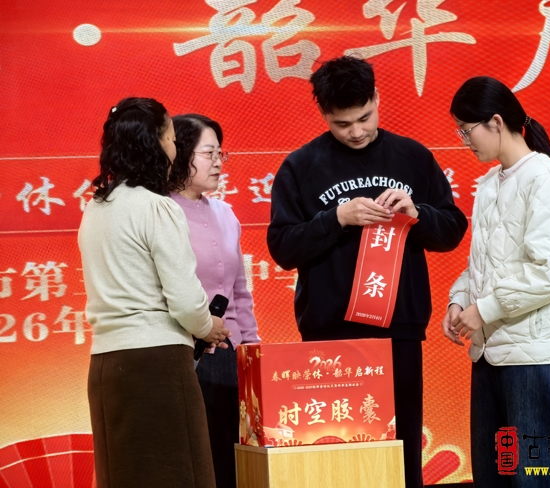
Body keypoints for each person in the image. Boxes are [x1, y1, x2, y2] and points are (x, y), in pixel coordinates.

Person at [267, 56, 468, 488]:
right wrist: (336, 218)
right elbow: (282, 248)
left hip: (398, 331)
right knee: (340, 458)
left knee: (401, 453)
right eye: (342, 124)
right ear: (323, 114)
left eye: (365, 117)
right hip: (331, 335)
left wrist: (417, 213)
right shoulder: (301, 166)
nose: (356, 131)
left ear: (377, 98)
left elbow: (452, 231)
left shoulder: (412, 157)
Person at [442, 76, 550, 487]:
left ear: (495, 122)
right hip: (493, 352)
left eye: (466, 130)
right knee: (495, 475)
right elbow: (483, 263)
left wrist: (485, 309)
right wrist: (459, 300)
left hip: (537, 356)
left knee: (540, 477)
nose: (464, 141)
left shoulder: (546, 180)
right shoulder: (491, 183)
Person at [78, 98, 230, 488]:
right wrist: (207, 326)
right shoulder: (157, 208)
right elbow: (185, 300)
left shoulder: (96, 207)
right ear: (157, 143)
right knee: (179, 474)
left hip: (106, 363)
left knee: (123, 475)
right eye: (170, 137)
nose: (174, 146)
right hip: (157, 363)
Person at [168, 113, 260, 488]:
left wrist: (252, 349)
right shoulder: (161, 212)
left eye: (221, 153)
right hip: (185, 354)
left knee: (232, 459)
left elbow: (239, 290)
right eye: (209, 153)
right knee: (196, 460)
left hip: (229, 355)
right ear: (179, 154)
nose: (219, 162)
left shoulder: (225, 214)